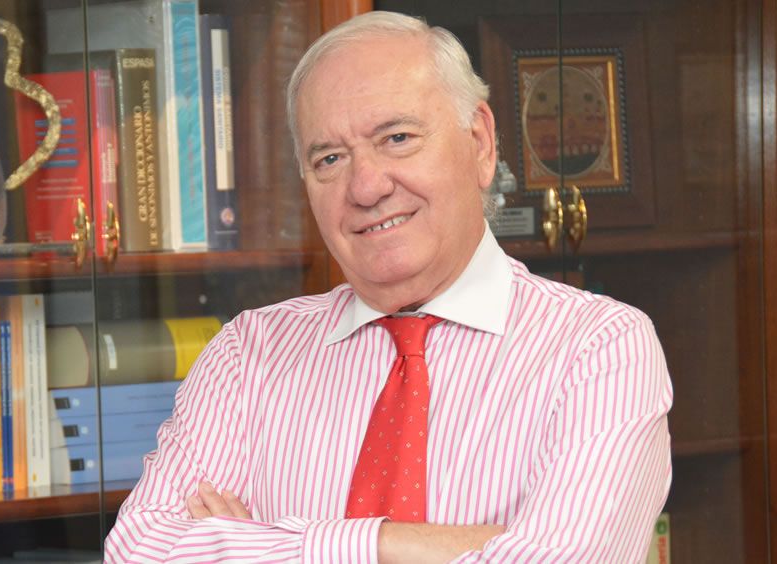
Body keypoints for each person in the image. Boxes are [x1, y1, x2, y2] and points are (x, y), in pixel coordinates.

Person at [104, 11, 672, 563]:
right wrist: (403, 544)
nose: (367, 187)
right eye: (330, 158)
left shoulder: (599, 348)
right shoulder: (248, 355)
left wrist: (258, 545)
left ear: (479, 142)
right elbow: (138, 552)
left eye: (397, 137)